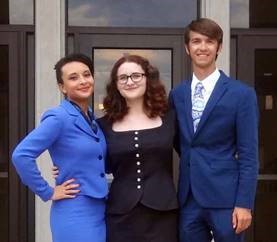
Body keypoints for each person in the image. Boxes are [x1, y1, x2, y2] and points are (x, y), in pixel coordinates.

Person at [169, 18, 259, 242]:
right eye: (196, 41)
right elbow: (180, 142)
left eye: (209, 41)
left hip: (227, 199)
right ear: (187, 48)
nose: (202, 47)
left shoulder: (242, 94)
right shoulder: (177, 94)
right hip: (189, 197)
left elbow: (249, 154)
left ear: (219, 47)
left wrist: (244, 204)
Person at [12, 53, 108, 242]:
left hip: (100, 207)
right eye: (73, 77)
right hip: (75, 211)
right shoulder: (58, 117)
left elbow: (96, 159)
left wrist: (67, 165)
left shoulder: (91, 118)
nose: (83, 81)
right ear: (62, 87)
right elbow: (21, 155)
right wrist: (47, 191)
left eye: (86, 74)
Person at [99, 54, 179, 242]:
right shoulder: (103, 125)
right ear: (116, 84)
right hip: (121, 215)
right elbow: (92, 160)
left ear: (147, 78)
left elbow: (192, 153)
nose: (130, 82)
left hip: (163, 213)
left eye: (136, 75)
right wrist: (63, 168)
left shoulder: (169, 119)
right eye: (123, 77)